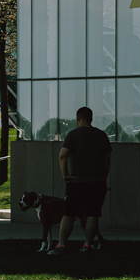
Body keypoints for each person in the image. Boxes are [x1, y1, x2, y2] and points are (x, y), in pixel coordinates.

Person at [49, 106, 112, 255]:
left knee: (69, 214)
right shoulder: (101, 135)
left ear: (78, 119)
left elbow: (62, 155)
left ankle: (61, 246)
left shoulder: (73, 135)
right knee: (92, 214)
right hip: (97, 182)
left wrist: (65, 174)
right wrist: (104, 176)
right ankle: (87, 245)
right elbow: (107, 158)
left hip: (77, 182)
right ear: (91, 118)